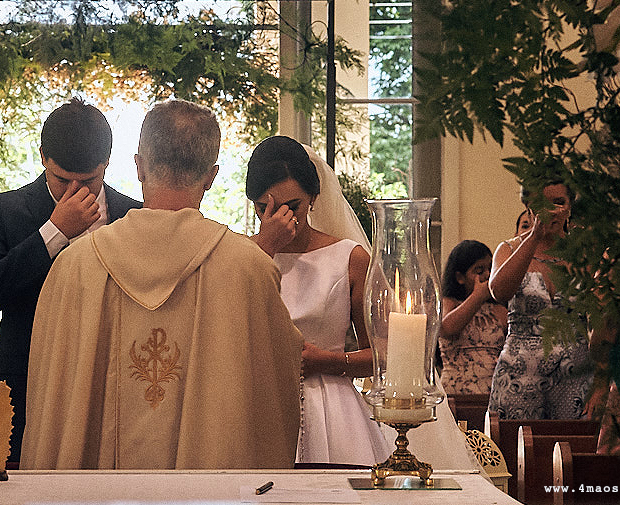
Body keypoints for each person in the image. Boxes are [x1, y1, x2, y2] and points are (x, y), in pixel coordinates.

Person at [21, 100, 302, 469]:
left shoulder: (74, 267)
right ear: (211, 175)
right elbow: (274, 390)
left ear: (138, 166)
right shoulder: (249, 268)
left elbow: (48, 402)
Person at [246, 136, 477, 469]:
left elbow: (385, 355)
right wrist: (262, 250)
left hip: (330, 408)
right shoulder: (242, 256)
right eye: (264, 208)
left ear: (313, 198)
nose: (281, 220)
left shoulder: (349, 258)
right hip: (259, 404)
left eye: (291, 207)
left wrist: (327, 360)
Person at [0, 98, 141, 462]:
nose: (75, 192)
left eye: (89, 180)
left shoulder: (135, 216)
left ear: (106, 163)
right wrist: (54, 231)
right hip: (25, 396)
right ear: (43, 156)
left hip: (114, 398)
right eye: (62, 180)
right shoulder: (1, 210)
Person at [488, 180, 594, 419]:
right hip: (519, 373)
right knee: (513, 450)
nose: (552, 211)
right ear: (528, 206)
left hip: (574, 374)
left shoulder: (583, 253)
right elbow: (499, 292)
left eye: (559, 203)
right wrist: (534, 235)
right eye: (542, 204)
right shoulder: (508, 249)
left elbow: (605, 317)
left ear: (569, 206)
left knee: (571, 451)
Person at [438, 239, 507, 396]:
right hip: (455, 393)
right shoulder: (449, 303)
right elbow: (447, 328)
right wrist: (478, 296)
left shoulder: (499, 310)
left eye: (491, 268)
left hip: (493, 393)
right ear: (460, 277)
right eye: (479, 270)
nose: (488, 274)